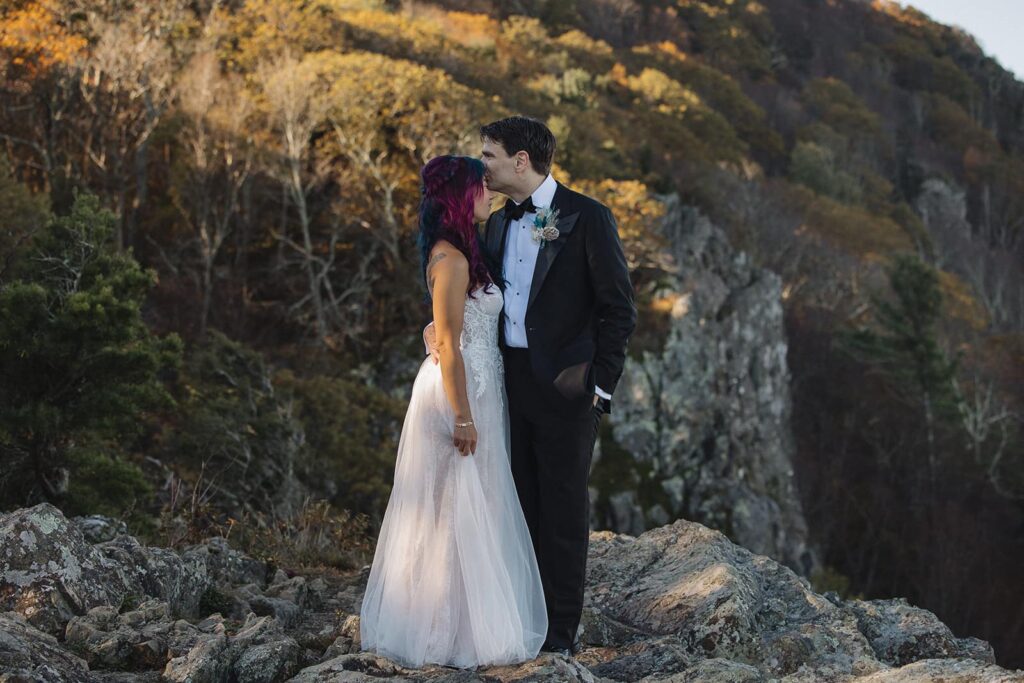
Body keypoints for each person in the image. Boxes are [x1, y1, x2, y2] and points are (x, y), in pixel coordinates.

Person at [427, 116, 637, 656]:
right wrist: (434, 327)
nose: (484, 166)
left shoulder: (588, 217)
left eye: (490, 155)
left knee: (564, 515)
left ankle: (559, 639)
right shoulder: (494, 225)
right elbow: (468, 294)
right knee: (517, 510)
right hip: (506, 386)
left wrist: (601, 386)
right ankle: (520, 623)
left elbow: (619, 309)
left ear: (521, 160)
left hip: (570, 391)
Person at [359, 155, 548, 669]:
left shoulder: (468, 254)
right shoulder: (452, 260)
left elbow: (452, 329)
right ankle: (442, 630)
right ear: (461, 198)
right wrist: (462, 416)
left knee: (473, 502)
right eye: (481, 187)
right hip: (457, 394)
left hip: (480, 388)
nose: (490, 193)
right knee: (449, 507)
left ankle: (465, 619)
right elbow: (449, 342)